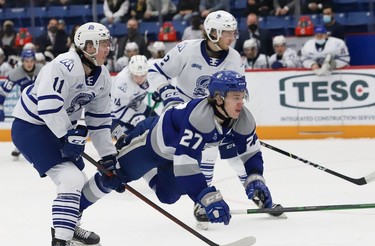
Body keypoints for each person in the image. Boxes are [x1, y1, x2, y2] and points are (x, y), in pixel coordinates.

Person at [80, 70, 281, 231]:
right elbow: (187, 164)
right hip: (149, 143)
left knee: (168, 196)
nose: (241, 102)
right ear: (219, 98)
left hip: (176, 156)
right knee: (112, 176)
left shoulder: (243, 118)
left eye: (242, 96)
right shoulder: (200, 117)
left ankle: (148, 171)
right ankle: (73, 213)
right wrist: (207, 197)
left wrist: (255, 177)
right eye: (235, 97)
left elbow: (250, 152)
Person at [147, 10, 285, 229]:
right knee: (206, 152)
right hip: (186, 115)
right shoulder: (186, 50)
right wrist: (168, 93)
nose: (232, 38)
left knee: (234, 152)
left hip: (218, 114)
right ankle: (203, 200)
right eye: (227, 33)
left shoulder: (233, 58)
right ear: (212, 33)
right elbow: (155, 71)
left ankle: (256, 189)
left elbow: (237, 90)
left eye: (233, 33)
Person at [11, 22, 118, 246]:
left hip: (58, 129)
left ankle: (68, 228)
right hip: (32, 126)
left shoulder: (102, 76)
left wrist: (109, 157)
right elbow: (48, 106)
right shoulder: (62, 66)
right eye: (103, 43)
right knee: (70, 178)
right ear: (87, 46)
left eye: (107, 43)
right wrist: (67, 136)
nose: (108, 48)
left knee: (79, 178)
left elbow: (100, 122)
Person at [0, 48, 43, 159]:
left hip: (43, 102)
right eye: (26, 61)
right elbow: (3, 91)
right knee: (23, 126)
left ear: (35, 61)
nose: (29, 63)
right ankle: (19, 147)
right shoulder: (15, 73)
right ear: (22, 61)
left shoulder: (43, 71)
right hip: (26, 104)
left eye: (31, 60)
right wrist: (0, 106)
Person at [111, 54, 157, 134]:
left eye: (142, 75)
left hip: (136, 105)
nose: (139, 79)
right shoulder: (122, 82)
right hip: (115, 114)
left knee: (158, 121)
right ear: (130, 71)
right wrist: (135, 118)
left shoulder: (150, 69)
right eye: (136, 75)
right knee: (132, 139)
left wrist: (160, 91)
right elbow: (117, 109)